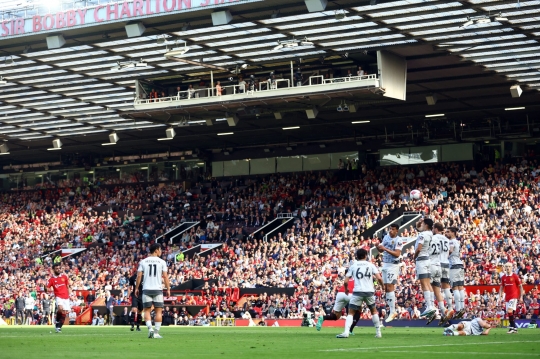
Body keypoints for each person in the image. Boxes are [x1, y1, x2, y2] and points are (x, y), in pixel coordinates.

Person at [336, 248, 383, 338]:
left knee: (351, 312)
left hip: (357, 291)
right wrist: (383, 286)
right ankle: (378, 333)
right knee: (374, 311)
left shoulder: (353, 266)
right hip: (369, 291)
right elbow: (379, 278)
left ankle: (346, 332)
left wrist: (346, 289)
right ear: (366, 255)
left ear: (357, 256)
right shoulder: (371, 265)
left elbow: (346, 281)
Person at [135, 243, 171, 339]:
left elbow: (139, 276)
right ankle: (156, 333)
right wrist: (168, 289)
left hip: (146, 289)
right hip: (157, 289)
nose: (161, 251)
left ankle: (150, 329)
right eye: (160, 249)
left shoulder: (143, 262)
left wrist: (136, 288)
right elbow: (165, 276)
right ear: (156, 250)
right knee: (158, 311)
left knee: (146, 310)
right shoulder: (162, 262)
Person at [376, 223, 404, 322]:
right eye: (390, 229)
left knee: (390, 287)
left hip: (393, 265)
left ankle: (393, 311)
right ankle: (392, 311)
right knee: (386, 287)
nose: (390, 231)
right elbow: (380, 251)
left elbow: (397, 254)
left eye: (393, 229)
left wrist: (384, 249)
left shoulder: (399, 240)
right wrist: (377, 247)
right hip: (385, 264)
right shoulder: (386, 237)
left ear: (397, 231)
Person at [414, 218, 436, 318]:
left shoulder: (423, 235)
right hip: (428, 259)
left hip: (421, 259)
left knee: (424, 284)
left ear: (426, 225)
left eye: (423, 223)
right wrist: (418, 224)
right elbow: (419, 228)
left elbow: (419, 248)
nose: (421, 225)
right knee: (428, 283)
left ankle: (429, 306)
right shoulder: (430, 234)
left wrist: (414, 257)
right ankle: (432, 306)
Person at [426, 222, 447, 325]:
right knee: (437, 291)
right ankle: (443, 312)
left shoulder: (431, 238)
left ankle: (432, 310)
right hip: (439, 265)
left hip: (431, 265)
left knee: (427, 286)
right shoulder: (443, 239)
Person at [499, 262, 525, 334]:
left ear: (511, 267)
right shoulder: (503, 277)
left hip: (514, 296)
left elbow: (520, 286)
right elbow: (501, 287)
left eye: (509, 266)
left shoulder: (515, 276)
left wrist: (521, 296)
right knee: (510, 312)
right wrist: (500, 296)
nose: (507, 268)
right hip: (507, 297)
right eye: (506, 266)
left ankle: (512, 328)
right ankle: (514, 328)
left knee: (510, 311)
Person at [47, 263, 71, 333]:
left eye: (59, 268)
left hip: (66, 296)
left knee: (64, 312)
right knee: (60, 308)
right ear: (53, 270)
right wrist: (46, 289)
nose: (58, 270)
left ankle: (58, 325)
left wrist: (69, 294)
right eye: (57, 269)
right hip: (58, 296)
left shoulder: (64, 277)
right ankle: (57, 322)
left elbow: (67, 286)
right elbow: (47, 288)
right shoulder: (51, 279)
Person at [448, 227, 466, 319]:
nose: (447, 233)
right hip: (460, 264)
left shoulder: (451, 241)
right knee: (460, 288)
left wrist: (444, 256)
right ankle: (462, 309)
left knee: (455, 288)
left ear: (453, 233)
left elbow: (450, 250)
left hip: (454, 265)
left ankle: (458, 310)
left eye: (448, 232)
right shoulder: (456, 241)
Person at [438, 226, 454, 325]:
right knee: (446, 288)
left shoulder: (435, 238)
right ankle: (450, 307)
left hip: (437, 264)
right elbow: (450, 251)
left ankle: (443, 312)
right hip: (446, 264)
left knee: (434, 288)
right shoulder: (447, 240)